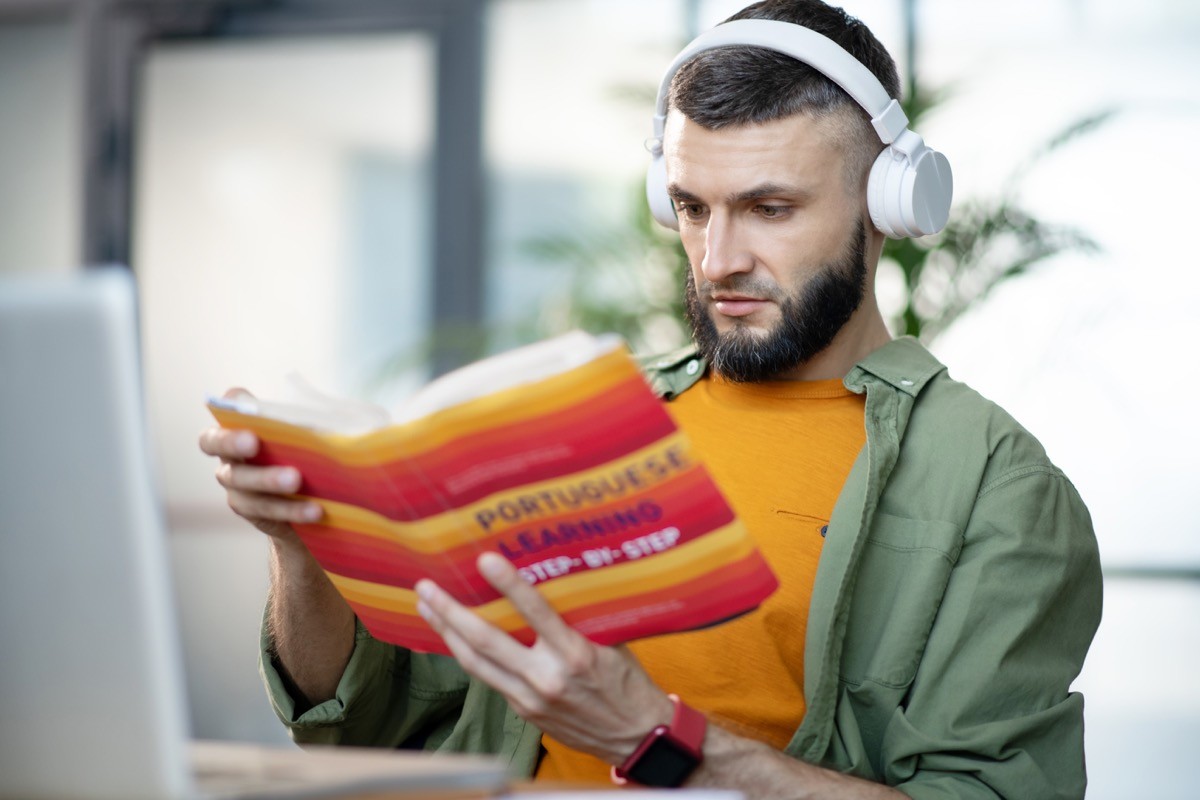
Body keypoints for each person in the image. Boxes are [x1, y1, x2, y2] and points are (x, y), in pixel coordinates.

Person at [199, 1, 1102, 797]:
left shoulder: (997, 486)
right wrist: (300, 546)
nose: (716, 261)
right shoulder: (579, 421)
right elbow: (368, 723)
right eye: (692, 207)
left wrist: (653, 739)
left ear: (888, 203)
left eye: (770, 208)